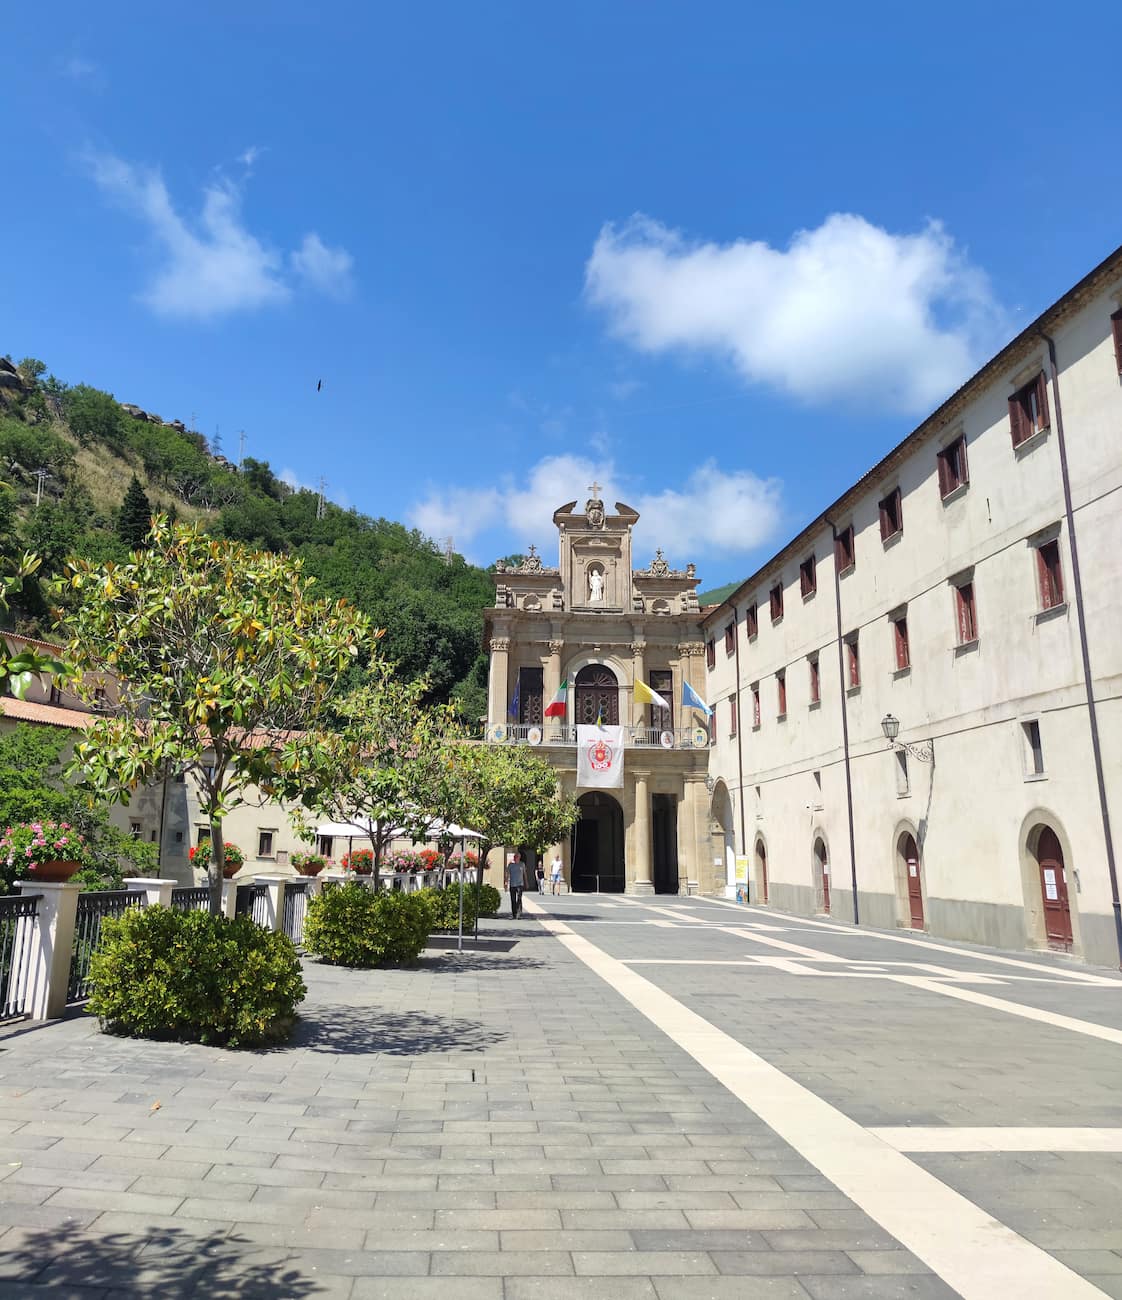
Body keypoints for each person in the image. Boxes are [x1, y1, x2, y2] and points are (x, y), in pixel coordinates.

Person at [505, 851, 528, 919]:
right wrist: (506, 882)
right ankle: (514, 914)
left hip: (520, 884)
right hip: (512, 884)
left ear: (519, 857)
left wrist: (526, 882)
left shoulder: (522, 864)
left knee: (519, 898)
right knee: (513, 899)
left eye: (517, 857)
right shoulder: (510, 865)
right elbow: (507, 874)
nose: (515, 858)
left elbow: (525, 874)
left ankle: (519, 913)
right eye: (515, 857)